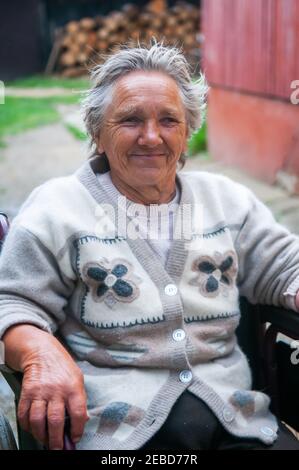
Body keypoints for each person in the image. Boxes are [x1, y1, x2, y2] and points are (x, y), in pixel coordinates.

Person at [0, 42, 299, 451]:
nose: (151, 137)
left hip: (239, 416)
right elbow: (12, 301)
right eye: (130, 120)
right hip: (118, 429)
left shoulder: (227, 199)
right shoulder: (58, 207)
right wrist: (39, 352)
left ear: (188, 131)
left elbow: (285, 267)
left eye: (169, 120)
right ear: (97, 133)